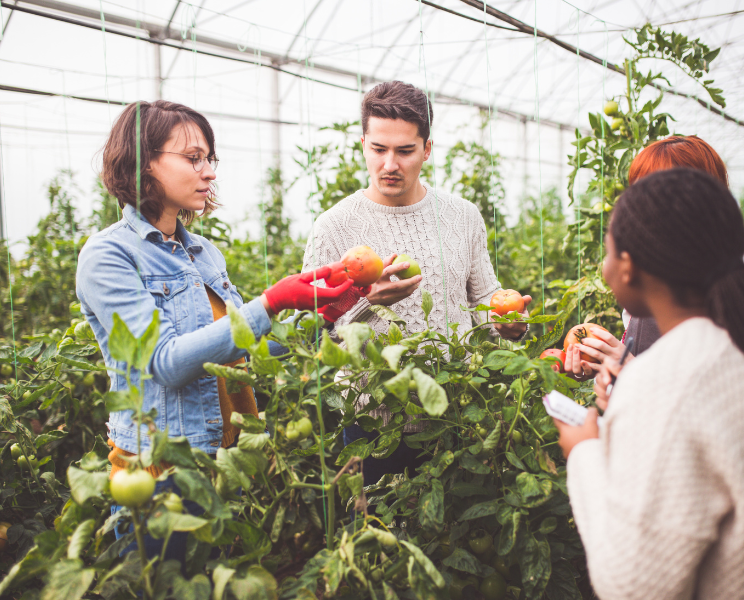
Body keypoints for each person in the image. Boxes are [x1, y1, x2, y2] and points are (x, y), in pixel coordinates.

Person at [76, 100, 353, 562]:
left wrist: (326, 309)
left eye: (210, 159)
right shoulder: (108, 257)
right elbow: (166, 363)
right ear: (144, 162)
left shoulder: (202, 252)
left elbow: (245, 351)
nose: (209, 173)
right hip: (160, 474)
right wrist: (272, 301)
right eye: (193, 158)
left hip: (226, 459)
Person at [554, 168, 744, 599]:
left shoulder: (666, 381)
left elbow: (633, 585)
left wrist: (583, 450)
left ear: (628, 267)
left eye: (608, 249)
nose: (603, 264)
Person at [302, 81, 530, 486]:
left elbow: (483, 296)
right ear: (363, 144)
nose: (390, 164)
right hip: (370, 422)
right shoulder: (333, 227)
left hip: (455, 413)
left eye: (405, 151)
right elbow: (315, 334)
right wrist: (368, 302)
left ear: (426, 149)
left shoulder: (462, 216)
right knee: (374, 539)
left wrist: (507, 322)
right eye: (379, 149)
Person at [564, 135, 744, 382]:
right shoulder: (649, 275)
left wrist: (634, 372)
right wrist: (606, 368)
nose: (643, 204)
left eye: (660, 191)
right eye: (639, 189)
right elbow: (644, 355)